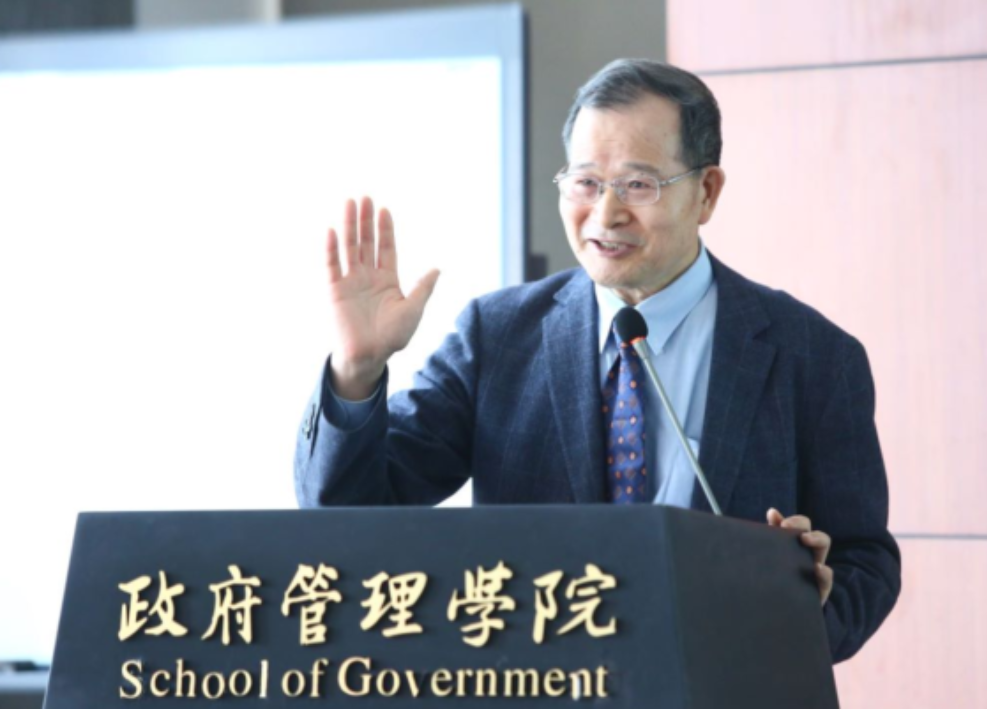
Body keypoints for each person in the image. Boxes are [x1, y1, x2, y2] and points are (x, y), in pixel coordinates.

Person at [294, 58, 900, 663]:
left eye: (638, 185)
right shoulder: (496, 336)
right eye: (585, 183)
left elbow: (865, 563)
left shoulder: (814, 357)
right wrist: (357, 370)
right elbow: (349, 514)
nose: (606, 215)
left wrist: (803, 612)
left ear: (706, 192)